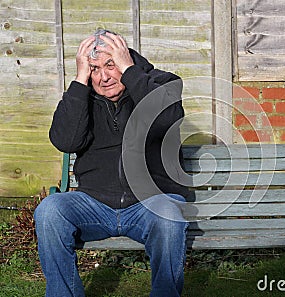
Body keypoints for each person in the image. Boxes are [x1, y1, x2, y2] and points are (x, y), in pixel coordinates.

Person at [34, 29, 189, 297]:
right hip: (94, 204)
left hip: (150, 202)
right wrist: (80, 81)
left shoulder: (162, 83)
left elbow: (165, 119)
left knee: (169, 214)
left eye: (111, 65)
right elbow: (65, 142)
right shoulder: (81, 98)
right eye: (94, 69)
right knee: (49, 211)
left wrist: (130, 72)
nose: (104, 77)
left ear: (126, 60)